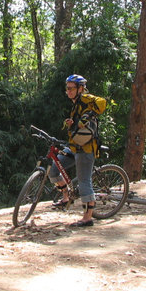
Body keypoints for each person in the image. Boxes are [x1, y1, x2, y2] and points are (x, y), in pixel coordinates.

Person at [49, 74, 106, 228]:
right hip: (74, 146)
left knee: (84, 181)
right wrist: (72, 123)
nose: (68, 91)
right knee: (54, 170)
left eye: (71, 88)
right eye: (67, 88)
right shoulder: (76, 103)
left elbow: (99, 106)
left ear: (80, 88)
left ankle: (87, 218)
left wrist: (86, 118)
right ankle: (66, 197)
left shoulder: (86, 99)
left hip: (86, 148)